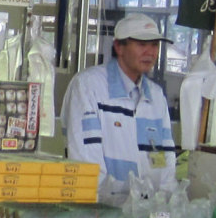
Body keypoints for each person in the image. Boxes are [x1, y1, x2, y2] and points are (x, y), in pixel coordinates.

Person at [60, 12, 178, 198]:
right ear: (119, 47)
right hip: (101, 208)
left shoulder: (156, 96)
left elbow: (166, 160)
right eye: (142, 44)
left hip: (146, 210)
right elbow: (85, 161)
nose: (150, 52)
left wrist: (163, 200)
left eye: (155, 45)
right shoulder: (88, 86)